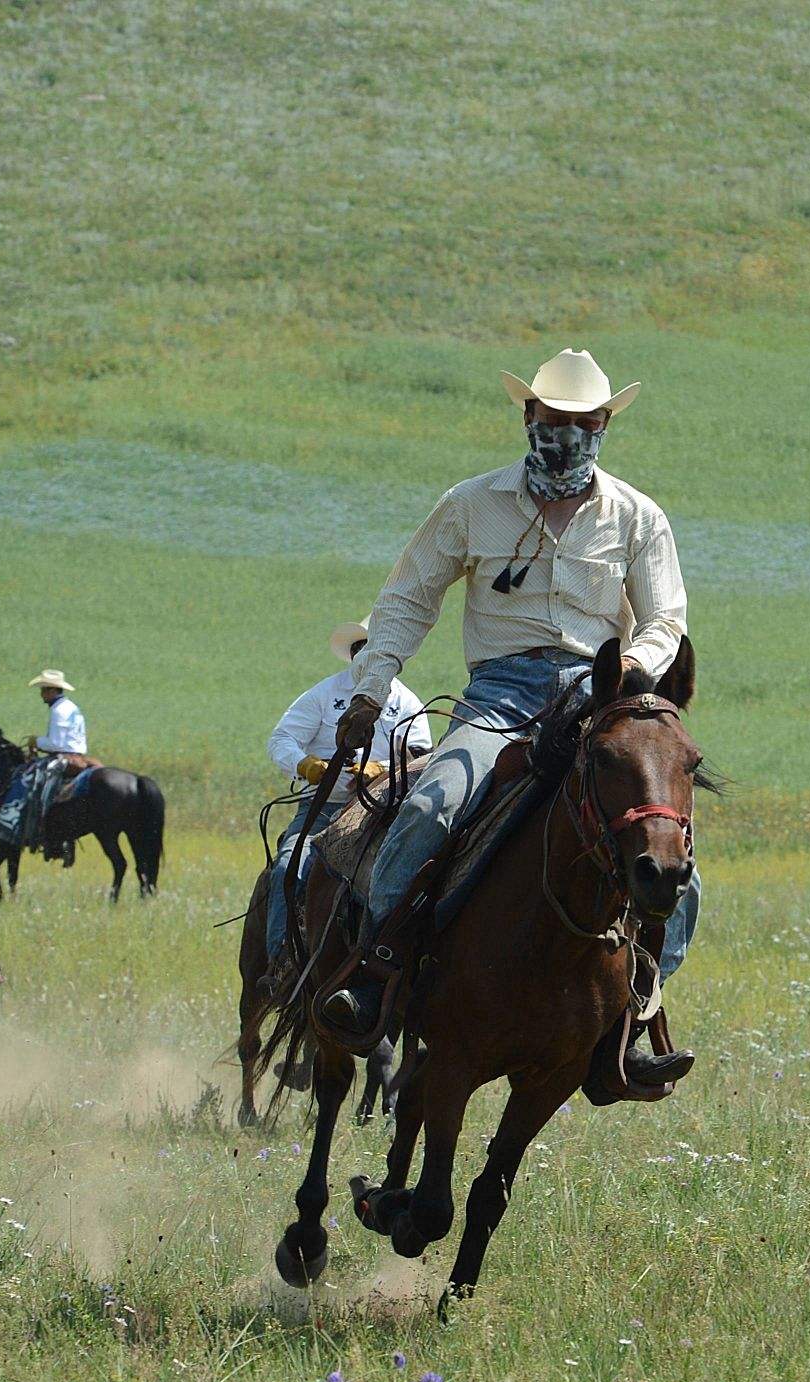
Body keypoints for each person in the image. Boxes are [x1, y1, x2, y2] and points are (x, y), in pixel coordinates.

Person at [320, 348, 700, 1088]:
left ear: (603, 426)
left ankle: (633, 1012)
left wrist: (628, 671)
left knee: (672, 851)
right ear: (528, 417)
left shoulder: (637, 516)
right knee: (432, 805)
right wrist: (371, 688)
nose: (568, 433)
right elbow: (406, 599)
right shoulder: (470, 503)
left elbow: (667, 621)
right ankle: (377, 972)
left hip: (599, 700)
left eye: (585, 422)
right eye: (554, 420)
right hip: (498, 697)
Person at [260, 620, 430, 977]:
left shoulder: (407, 700)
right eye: (359, 648)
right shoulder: (323, 694)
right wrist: (306, 765)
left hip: (383, 812)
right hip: (324, 810)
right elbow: (282, 740)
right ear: (352, 654)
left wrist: (382, 770)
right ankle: (281, 964)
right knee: (287, 866)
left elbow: (421, 752)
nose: (365, 655)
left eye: (373, 648)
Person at [21, 669, 87, 851]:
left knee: (36, 784)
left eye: (43, 690)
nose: (41, 694)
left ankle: (41, 826)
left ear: (51, 691)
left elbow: (55, 743)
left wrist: (36, 741)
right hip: (79, 755)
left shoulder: (59, 710)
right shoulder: (72, 707)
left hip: (65, 757)